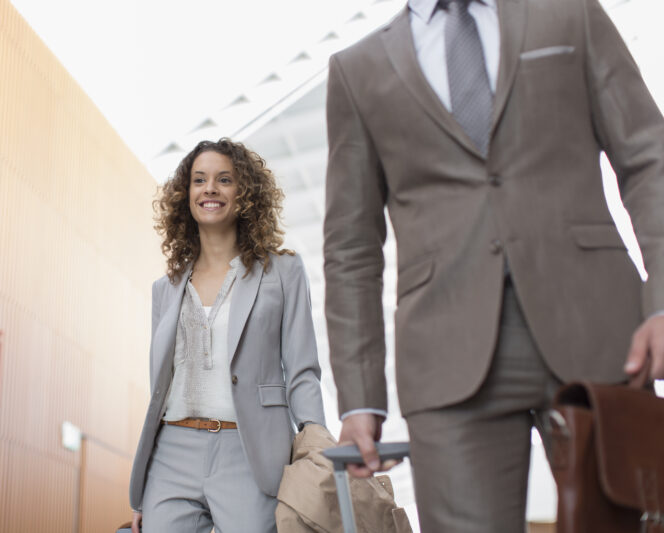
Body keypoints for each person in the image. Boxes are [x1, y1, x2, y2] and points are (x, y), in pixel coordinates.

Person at [323, 0, 664, 531]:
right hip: (446, 359)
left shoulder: (569, 15)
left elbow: (648, 158)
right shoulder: (358, 69)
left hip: (599, 336)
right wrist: (360, 400)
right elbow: (351, 247)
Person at [129, 138, 325, 533]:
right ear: (186, 196)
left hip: (250, 451)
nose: (210, 189)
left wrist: (316, 442)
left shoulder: (283, 273)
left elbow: (302, 369)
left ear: (245, 193)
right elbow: (161, 386)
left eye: (224, 180)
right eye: (199, 180)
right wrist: (146, 488)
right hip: (172, 452)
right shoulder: (164, 289)